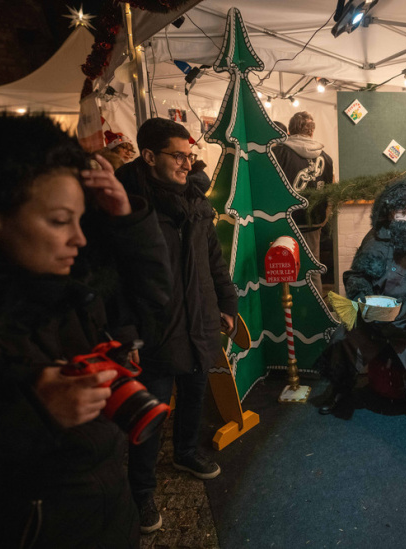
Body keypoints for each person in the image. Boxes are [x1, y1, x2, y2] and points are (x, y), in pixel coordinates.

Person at [0, 114, 170, 547]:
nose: (79, 239)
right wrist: (34, 412)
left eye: (80, 220)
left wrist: (125, 218)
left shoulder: (69, 292)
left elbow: (154, 300)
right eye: (58, 221)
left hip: (111, 520)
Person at [116, 118, 239, 534]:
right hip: (155, 326)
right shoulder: (129, 209)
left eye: (190, 156)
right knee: (150, 413)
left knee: (194, 393)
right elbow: (115, 278)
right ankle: (141, 491)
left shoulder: (196, 203)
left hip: (199, 317)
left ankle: (186, 452)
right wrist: (127, 332)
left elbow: (213, 260)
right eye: (178, 156)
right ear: (150, 156)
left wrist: (226, 302)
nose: (188, 164)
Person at [315, 177, 406, 436]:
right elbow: (357, 275)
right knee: (342, 338)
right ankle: (339, 390)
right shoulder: (376, 235)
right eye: (401, 212)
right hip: (373, 316)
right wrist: (363, 297)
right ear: (389, 213)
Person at [273, 111, 334, 291]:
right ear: (312, 131)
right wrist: (324, 218)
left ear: (290, 130)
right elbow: (330, 192)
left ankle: (291, 305)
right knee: (313, 268)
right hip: (314, 220)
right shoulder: (326, 158)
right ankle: (317, 305)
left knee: (286, 268)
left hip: (286, 220)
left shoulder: (277, 153)